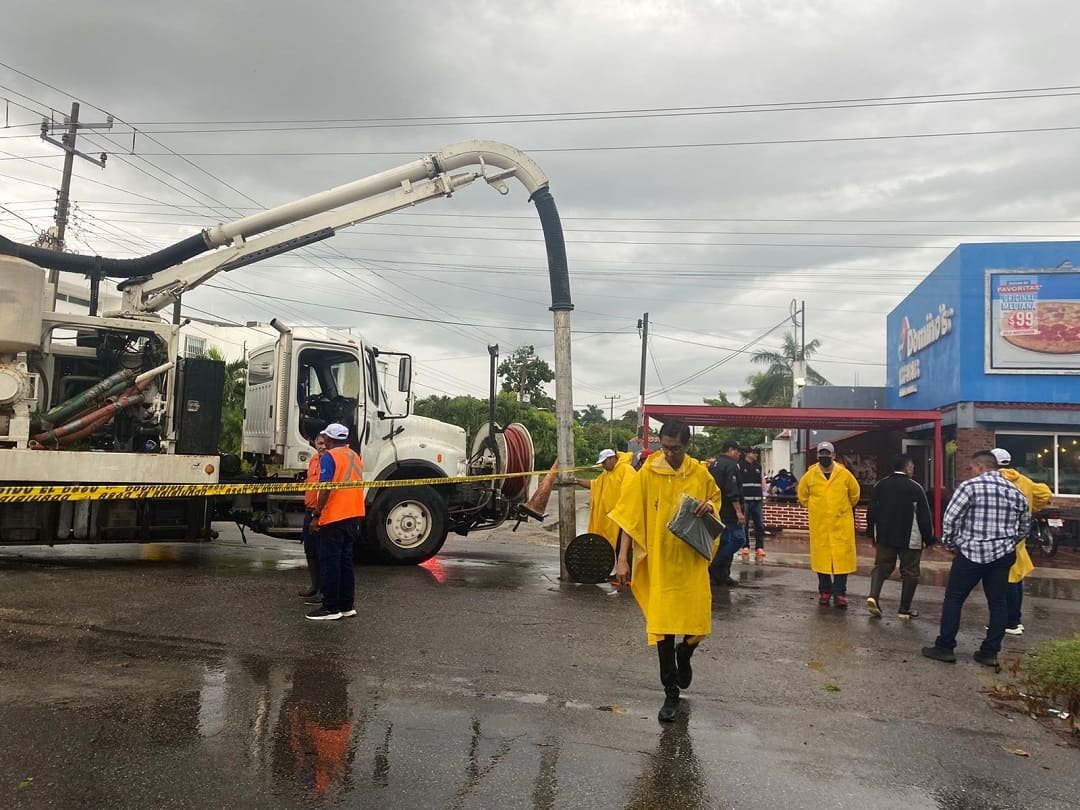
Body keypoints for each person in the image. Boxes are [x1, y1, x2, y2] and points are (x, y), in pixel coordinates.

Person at [611, 420, 722, 723]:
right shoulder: (646, 473)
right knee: (662, 627)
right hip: (660, 563)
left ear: (687, 446)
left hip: (690, 561)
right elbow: (629, 520)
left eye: (676, 449)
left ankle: (686, 652)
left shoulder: (700, 473)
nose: (670, 454)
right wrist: (622, 559)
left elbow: (715, 502)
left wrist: (709, 508)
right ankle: (670, 692)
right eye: (665, 447)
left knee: (697, 621)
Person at [922, 451, 1030, 668]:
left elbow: (951, 519)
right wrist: (1007, 543)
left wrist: (953, 544)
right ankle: (989, 652)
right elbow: (1024, 526)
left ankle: (945, 647)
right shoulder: (1016, 491)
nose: (971, 472)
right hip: (1002, 555)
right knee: (998, 603)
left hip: (971, 553)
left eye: (972, 468)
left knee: (954, 598)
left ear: (980, 466)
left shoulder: (969, 487)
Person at [307, 423, 365, 621]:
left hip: (334, 516)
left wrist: (316, 514)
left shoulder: (330, 457)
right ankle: (347, 605)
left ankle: (330, 607)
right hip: (353, 514)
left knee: (330, 561)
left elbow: (325, 489)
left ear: (330, 440)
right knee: (346, 562)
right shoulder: (354, 456)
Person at [865, 454, 934, 620]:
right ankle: (904, 609)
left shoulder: (880, 485)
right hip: (910, 538)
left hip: (884, 536)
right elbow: (924, 516)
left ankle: (873, 596)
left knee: (881, 567)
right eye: (912, 468)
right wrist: (929, 539)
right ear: (908, 468)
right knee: (910, 572)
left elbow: (871, 512)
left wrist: (871, 533)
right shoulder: (916, 488)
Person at [991, 448, 1052, 636]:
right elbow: (1045, 494)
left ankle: (1010, 622)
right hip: (1019, 537)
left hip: (998, 536)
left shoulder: (993, 481)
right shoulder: (1025, 481)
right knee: (1015, 579)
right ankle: (1013, 620)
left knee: (1005, 582)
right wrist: (1032, 507)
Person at [797, 441, 860, 608]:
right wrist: (814, 508)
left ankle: (840, 593)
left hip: (841, 524)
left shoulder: (845, 474)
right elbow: (802, 495)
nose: (824, 456)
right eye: (821, 454)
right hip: (820, 525)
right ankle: (824, 591)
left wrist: (842, 509)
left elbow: (855, 495)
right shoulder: (810, 475)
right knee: (822, 559)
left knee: (842, 560)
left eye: (828, 453)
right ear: (818, 455)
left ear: (833, 455)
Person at [575, 448, 633, 552]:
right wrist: (576, 481)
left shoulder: (626, 470)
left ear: (611, 459)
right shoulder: (606, 474)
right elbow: (594, 485)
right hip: (609, 521)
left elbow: (630, 496)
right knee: (611, 550)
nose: (603, 465)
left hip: (621, 523)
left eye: (604, 462)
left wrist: (620, 514)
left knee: (623, 552)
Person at [706, 440, 745, 587]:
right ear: (730, 450)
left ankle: (722, 575)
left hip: (716, 509)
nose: (739, 454)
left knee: (723, 542)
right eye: (737, 450)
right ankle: (716, 565)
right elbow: (732, 491)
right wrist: (739, 512)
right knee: (738, 539)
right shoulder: (731, 465)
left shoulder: (714, 465)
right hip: (728, 511)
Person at [299, 434, 328, 602]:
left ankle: (323, 592)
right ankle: (314, 587)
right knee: (310, 551)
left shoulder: (330, 461)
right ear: (315, 444)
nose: (322, 446)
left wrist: (318, 513)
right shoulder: (314, 459)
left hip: (321, 512)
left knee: (322, 552)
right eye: (319, 443)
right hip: (309, 509)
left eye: (325, 443)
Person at [738, 446, 766, 561]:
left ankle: (760, 547)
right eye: (754, 453)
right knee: (744, 525)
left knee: (759, 524)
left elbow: (762, 483)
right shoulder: (740, 466)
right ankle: (745, 546)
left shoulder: (758, 466)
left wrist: (763, 495)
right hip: (745, 500)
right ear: (748, 454)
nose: (756, 455)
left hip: (757, 500)